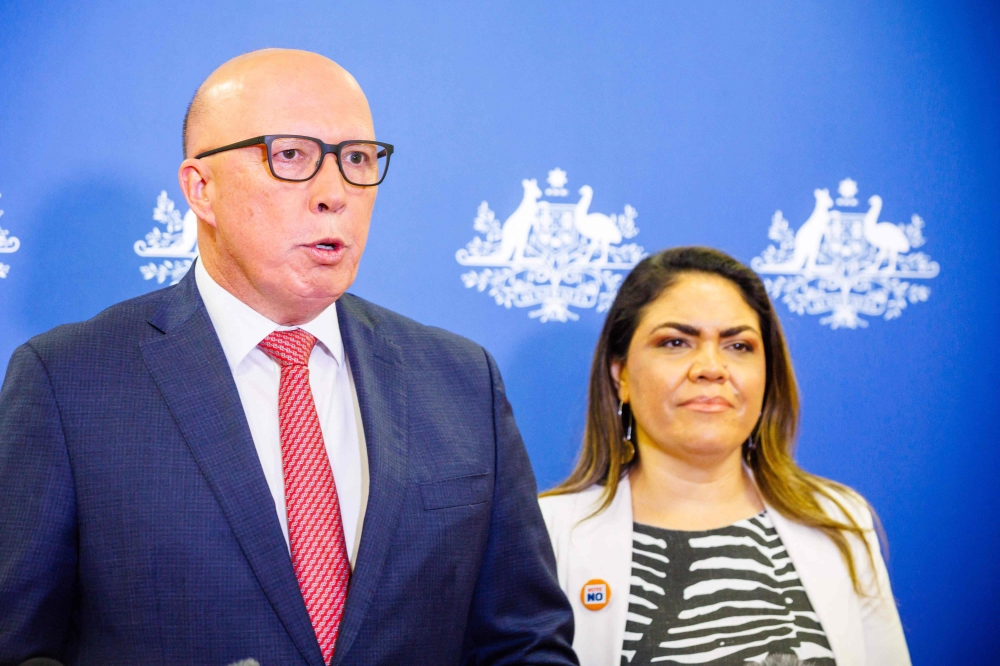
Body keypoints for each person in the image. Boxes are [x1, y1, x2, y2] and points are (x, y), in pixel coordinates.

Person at [0, 49, 577, 666]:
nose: (335, 194)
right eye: (292, 156)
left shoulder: (461, 380)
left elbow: (525, 641)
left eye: (356, 159)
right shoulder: (68, 380)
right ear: (202, 189)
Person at [539, 247, 911, 666]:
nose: (712, 367)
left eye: (738, 346)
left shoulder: (839, 518)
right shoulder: (544, 535)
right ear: (620, 374)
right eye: (676, 342)